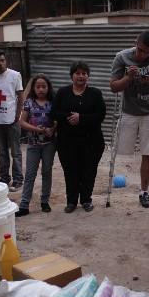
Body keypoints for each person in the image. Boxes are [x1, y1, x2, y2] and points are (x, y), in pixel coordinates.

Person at [110, 31, 149, 208]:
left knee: (148, 153)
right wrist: (128, 77)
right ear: (135, 43)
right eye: (140, 50)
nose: (142, 55)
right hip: (129, 111)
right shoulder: (122, 57)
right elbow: (113, 87)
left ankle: (144, 192)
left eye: (147, 52)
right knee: (121, 151)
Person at [52, 61, 106, 213]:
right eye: (77, 73)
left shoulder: (95, 93)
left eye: (84, 73)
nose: (81, 76)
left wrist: (81, 118)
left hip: (91, 142)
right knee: (70, 171)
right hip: (67, 142)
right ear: (72, 76)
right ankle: (71, 202)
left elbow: (100, 115)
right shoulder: (62, 93)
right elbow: (54, 112)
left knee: (89, 171)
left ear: (88, 76)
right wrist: (70, 117)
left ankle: (86, 200)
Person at [16, 74, 56, 217]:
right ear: (33, 88)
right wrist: (37, 130)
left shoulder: (53, 102)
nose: (41, 89)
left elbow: (58, 119)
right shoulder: (29, 103)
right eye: (38, 86)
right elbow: (22, 122)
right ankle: (24, 205)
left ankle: (45, 201)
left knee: (46, 172)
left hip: (49, 144)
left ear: (48, 88)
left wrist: (53, 129)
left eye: (43, 86)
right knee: (30, 174)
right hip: (33, 144)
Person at [0, 49, 24, 190]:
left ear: (5, 61)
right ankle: (4, 177)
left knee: (15, 151)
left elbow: (21, 96)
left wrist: (18, 116)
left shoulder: (15, 76)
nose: (1, 63)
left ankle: (18, 179)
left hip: (12, 119)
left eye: (3, 60)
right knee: (2, 151)